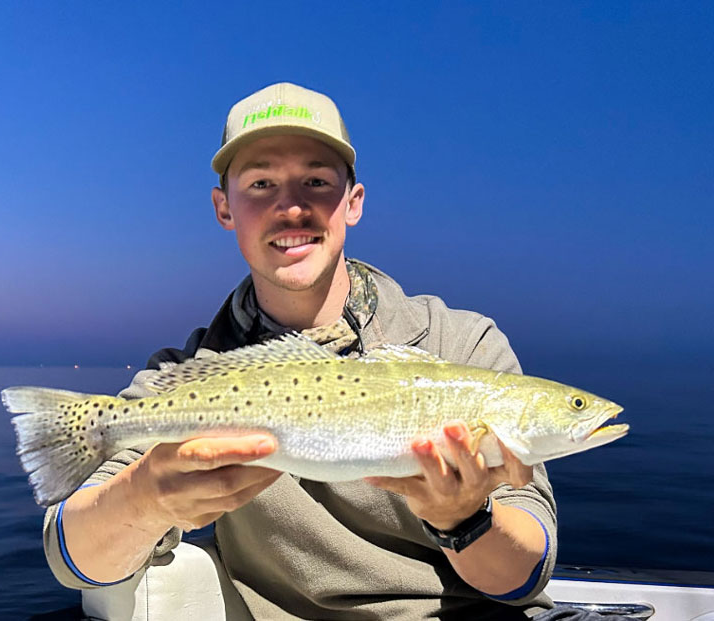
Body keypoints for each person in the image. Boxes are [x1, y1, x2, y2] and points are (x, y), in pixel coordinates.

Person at [41, 83, 632, 620]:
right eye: (261, 184)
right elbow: (73, 559)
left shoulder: (464, 346)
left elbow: (523, 578)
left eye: (317, 182)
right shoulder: (187, 374)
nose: (291, 207)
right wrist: (145, 498)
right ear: (224, 208)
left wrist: (463, 518)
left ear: (353, 202)